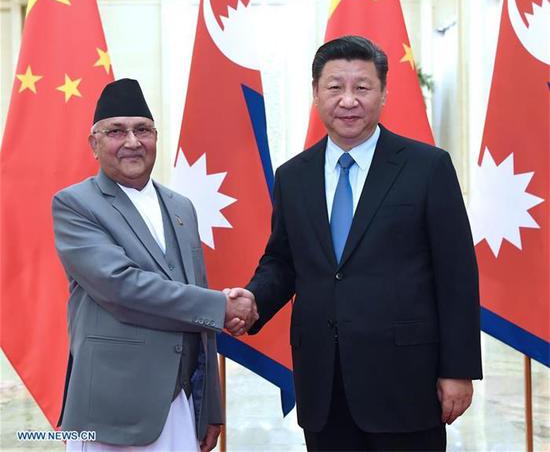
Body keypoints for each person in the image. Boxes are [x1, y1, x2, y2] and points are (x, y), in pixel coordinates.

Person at [227, 36, 482, 451]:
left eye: (362, 87)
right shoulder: (294, 176)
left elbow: (457, 275)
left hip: (406, 382)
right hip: (324, 384)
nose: (348, 100)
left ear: (383, 94)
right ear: (315, 93)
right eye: (334, 87)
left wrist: (458, 369)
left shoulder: (427, 167)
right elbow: (283, 262)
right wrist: (253, 300)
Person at [52, 78, 256, 451]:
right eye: (117, 131)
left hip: (178, 403)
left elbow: (198, 322)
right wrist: (221, 307)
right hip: (112, 409)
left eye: (143, 130)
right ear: (94, 144)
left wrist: (209, 406)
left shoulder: (180, 207)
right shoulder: (75, 204)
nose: (132, 141)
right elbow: (121, 288)